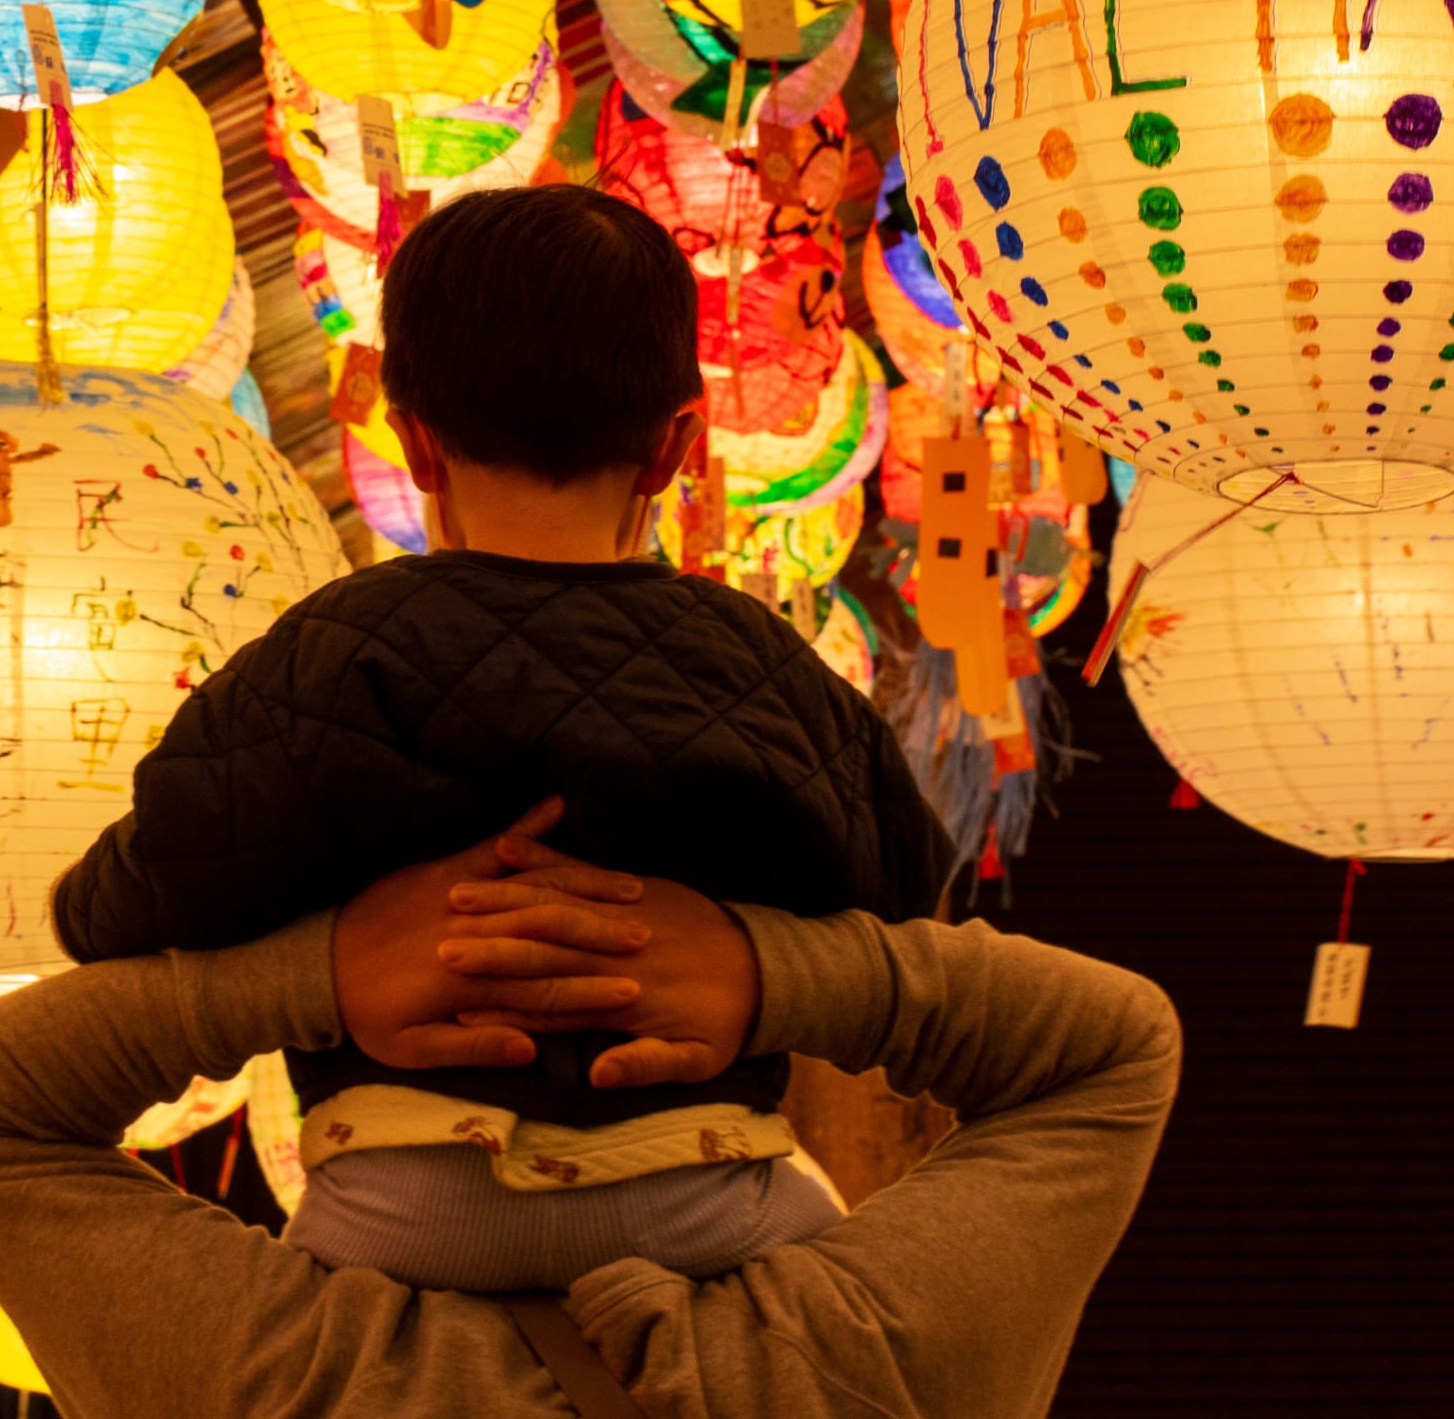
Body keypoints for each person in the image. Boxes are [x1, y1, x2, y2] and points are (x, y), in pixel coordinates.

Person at [0, 810, 1179, 1419]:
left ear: (327, 1131)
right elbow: (1110, 1052)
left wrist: (314, 972)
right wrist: (767, 969)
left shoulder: (291, 1412)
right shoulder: (855, 1381)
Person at [47, 184, 955, 1292]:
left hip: (397, 1214)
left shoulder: (330, 655)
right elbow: (912, 902)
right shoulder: (765, 668)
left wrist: (326, 945)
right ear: (678, 444)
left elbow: (114, 913)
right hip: (713, 1201)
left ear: (414, 442)